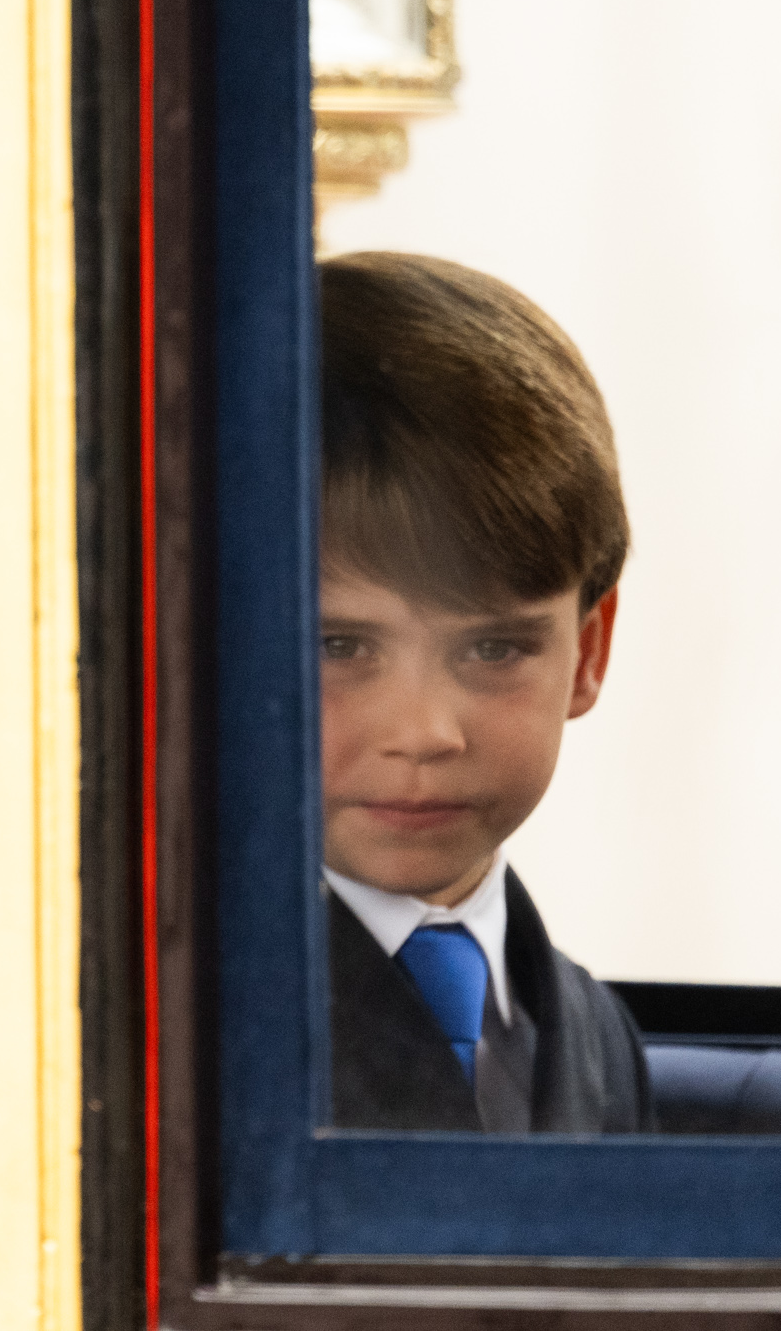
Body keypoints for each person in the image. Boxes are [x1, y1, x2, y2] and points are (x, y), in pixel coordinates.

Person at [318, 252, 651, 1134]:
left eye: (494, 648)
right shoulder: (160, 1021)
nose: (425, 733)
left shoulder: (595, 1036)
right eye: (339, 646)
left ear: (587, 652)